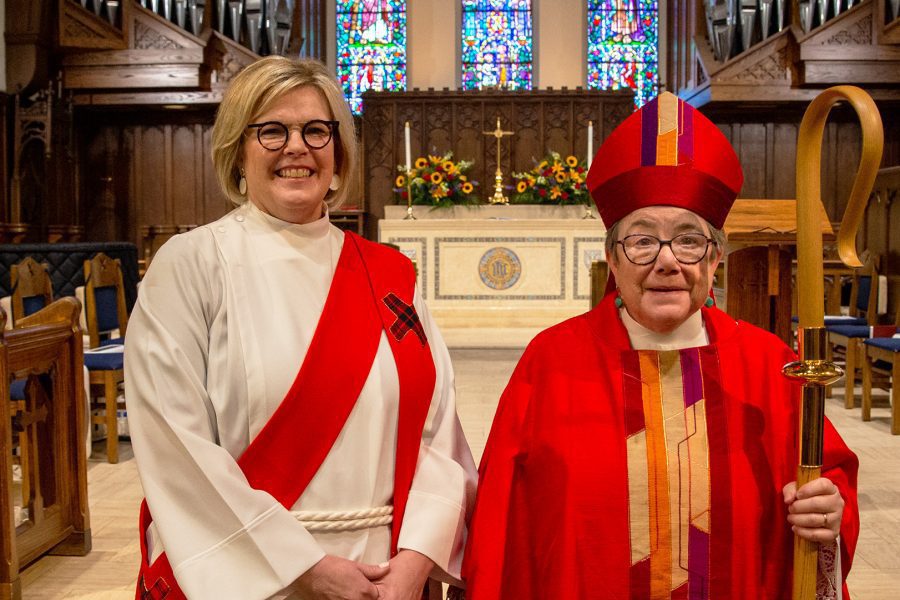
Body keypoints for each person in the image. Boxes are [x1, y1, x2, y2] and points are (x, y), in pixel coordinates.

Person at [463, 92, 859, 599]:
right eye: (642, 240)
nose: (667, 262)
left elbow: (827, 486)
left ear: (715, 258)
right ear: (613, 257)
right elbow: (503, 529)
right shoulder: (552, 362)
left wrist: (829, 509)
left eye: (689, 240)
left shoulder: (771, 365)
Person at [125, 56, 477, 600]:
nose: (297, 147)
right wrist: (303, 567)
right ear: (238, 153)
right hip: (251, 576)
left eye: (316, 130)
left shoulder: (388, 277)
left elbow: (439, 430)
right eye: (272, 130)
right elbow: (174, 445)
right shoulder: (191, 265)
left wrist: (415, 560)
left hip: (386, 579)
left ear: (337, 155)